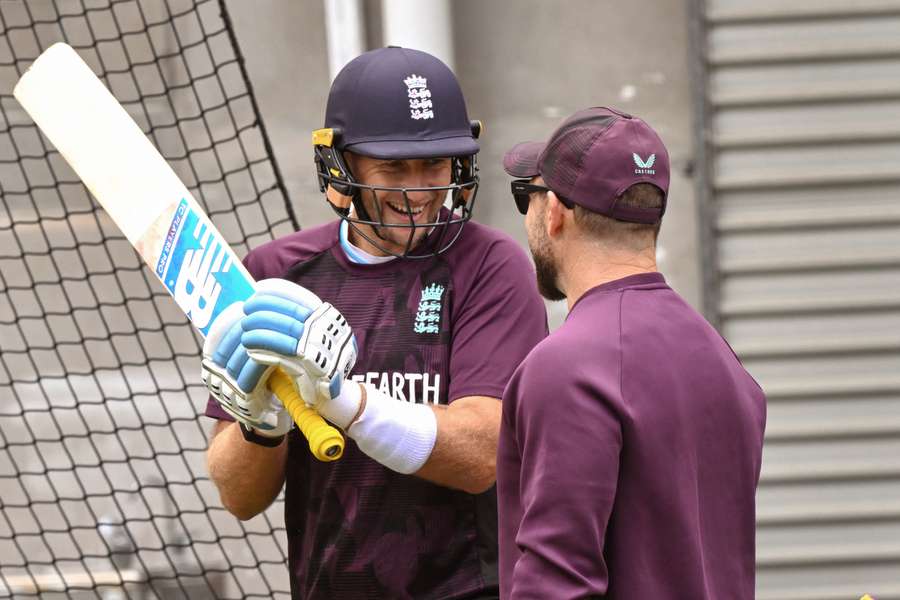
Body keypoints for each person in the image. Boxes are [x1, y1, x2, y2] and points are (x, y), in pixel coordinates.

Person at [201, 46, 547, 599]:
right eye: (393, 167)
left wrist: (342, 401)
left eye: (433, 165)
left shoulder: (490, 265)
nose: (416, 192)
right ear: (340, 169)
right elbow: (239, 497)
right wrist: (260, 424)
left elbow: (484, 454)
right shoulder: (275, 276)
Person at [496, 107, 767, 599]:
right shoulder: (724, 362)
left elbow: (556, 585)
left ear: (554, 212)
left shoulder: (566, 368)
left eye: (527, 197)